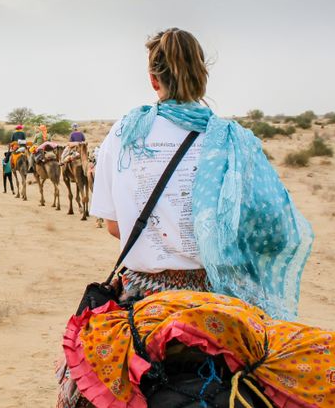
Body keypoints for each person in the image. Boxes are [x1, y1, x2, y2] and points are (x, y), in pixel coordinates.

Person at [58, 28, 317, 408]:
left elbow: (115, 226)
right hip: (220, 294)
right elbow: (272, 230)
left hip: (141, 291)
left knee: (76, 381)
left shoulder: (123, 134)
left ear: (152, 79)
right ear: (203, 77)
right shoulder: (233, 139)